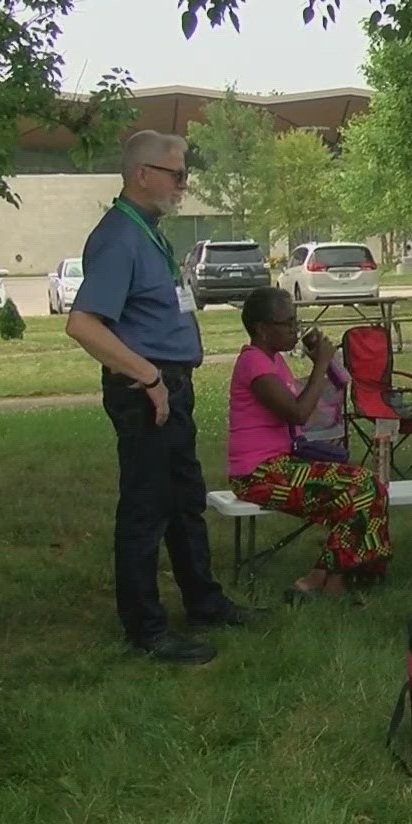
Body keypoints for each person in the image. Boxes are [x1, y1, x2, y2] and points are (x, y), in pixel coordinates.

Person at [65, 130, 264, 664]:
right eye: (177, 175)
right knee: (146, 509)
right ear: (143, 174)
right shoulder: (118, 238)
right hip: (145, 391)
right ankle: (146, 630)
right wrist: (149, 378)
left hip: (171, 387)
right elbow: (83, 324)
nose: (184, 185)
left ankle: (203, 601)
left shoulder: (147, 232)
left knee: (184, 501)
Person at [227, 288, 392, 601]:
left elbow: (339, 385)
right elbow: (298, 412)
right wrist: (320, 365)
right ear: (262, 329)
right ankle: (324, 578)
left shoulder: (273, 360)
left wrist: (325, 363)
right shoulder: (254, 364)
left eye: (295, 321)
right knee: (359, 487)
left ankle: (335, 578)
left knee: (368, 487)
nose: (295, 328)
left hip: (282, 464)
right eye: (287, 323)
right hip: (257, 475)